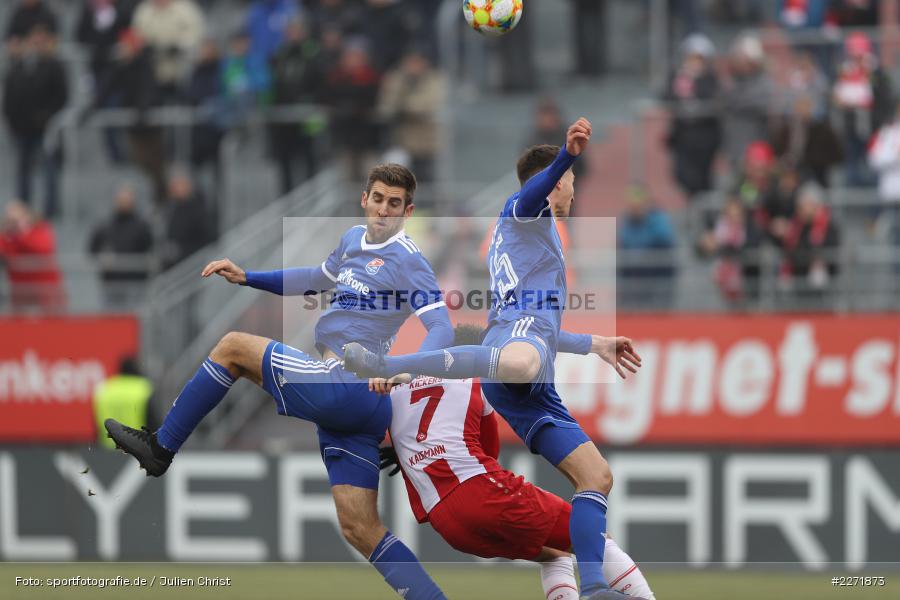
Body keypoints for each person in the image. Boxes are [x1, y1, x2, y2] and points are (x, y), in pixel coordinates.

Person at [104, 164, 452, 600]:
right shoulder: (351, 242)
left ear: (407, 211)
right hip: (354, 408)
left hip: (347, 382)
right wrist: (248, 276)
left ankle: (161, 448)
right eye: (378, 198)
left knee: (232, 347)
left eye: (395, 204)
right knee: (360, 528)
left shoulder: (409, 260)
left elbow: (441, 327)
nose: (384, 209)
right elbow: (312, 279)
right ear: (364, 199)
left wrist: (406, 367)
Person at [344, 119, 643, 599]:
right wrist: (566, 155)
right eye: (569, 184)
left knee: (597, 478)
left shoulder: (527, 242)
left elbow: (540, 335)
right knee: (519, 363)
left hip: (527, 366)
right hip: (517, 349)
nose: (572, 194)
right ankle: (398, 366)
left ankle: (592, 590)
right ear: (557, 181)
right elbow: (531, 195)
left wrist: (595, 345)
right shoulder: (524, 214)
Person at [379, 324, 657, 600]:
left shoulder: (397, 391)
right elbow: (490, 450)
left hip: (447, 524)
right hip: (482, 495)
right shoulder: (477, 378)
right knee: (594, 540)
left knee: (556, 555)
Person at [2, 25, 68, 218]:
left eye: (40, 41)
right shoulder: (18, 67)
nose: (36, 45)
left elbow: (62, 96)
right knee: (22, 171)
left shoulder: (54, 66)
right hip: (22, 130)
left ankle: (51, 210)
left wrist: (46, 116)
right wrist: (13, 121)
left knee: (49, 170)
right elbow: (9, 98)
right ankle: (22, 209)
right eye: (33, 41)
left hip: (46, 130)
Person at [833, 32, 894, 187]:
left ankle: (874, 210)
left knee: (872, 171)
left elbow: (884, 101)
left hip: (873, 130)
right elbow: (836, 98)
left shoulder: (877, 74)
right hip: (851, 130)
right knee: (852, 172)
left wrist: (878, 123)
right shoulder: (844, 73)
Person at [377, 49, 446, 185]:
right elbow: (387, 105)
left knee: (425, 179)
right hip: (399, 140)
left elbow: (427, 105)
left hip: (426, 142)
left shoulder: (434, 79)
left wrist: (405, 107)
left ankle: (426, 206)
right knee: (397, 181)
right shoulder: (397, 79)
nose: (413, 67)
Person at [664, 33, 720, 198]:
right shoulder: (678, 77)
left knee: (703, 179)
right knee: (682, 175)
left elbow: (711, 97)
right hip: (683, 137)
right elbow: (666, 95)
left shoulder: (710, 78)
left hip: (705, 138)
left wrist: (695, 81)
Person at [88, 185, 155, 308]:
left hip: (135, 283)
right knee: (113, 321)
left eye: (127, 198)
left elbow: (151, 249)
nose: (124, 202)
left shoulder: (142, 226)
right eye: (121, 198)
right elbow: (92, 249)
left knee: (134, 320)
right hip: (111, 283)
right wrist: (102, 258)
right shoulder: (105, 225)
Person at [0, 200, 65, 313]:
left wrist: (22, 233)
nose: (13, 223)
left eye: (16, 220)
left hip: (45, 290)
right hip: (20, 291)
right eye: (9, 220)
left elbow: (43, 248)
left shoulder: (40, 230)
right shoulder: (7, 237)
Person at [93, 356, 155, 449]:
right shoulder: (143, 388)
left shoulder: (105, 389)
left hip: (108, 451)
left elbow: (96, 423)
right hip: (137, 450)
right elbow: (152, 422)